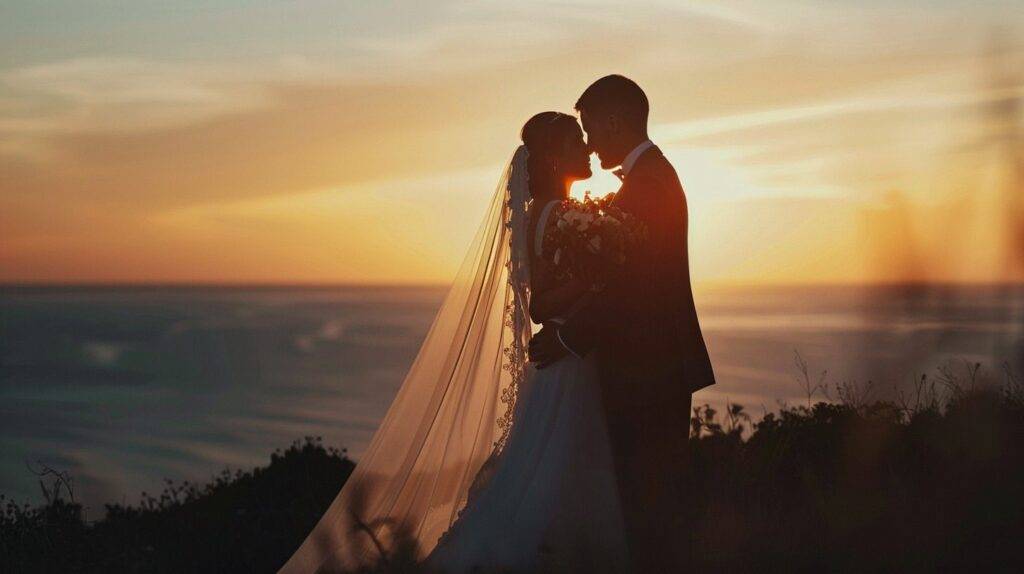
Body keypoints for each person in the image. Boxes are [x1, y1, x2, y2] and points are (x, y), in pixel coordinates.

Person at [529, 74, 717, 572]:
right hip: (646, 369)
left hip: (650, 371)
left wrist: (568, 336)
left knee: (651, 509)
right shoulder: (645, 179)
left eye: (589, 127)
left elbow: (636, 286)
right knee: (642, 506)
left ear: (614, 120)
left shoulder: (650, 182)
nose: (587, 141)